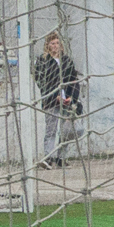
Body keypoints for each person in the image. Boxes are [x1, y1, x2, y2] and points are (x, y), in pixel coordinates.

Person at [33, 31, 81, 168]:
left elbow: (74, 81)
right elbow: (41, 83)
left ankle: (61, 157)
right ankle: (48, 158)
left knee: (68, 129)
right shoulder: (43, 61)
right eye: (52, 43)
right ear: (47, 45)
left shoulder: (67, 61)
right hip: (51, 101)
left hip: (67, 102)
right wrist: (55, 96)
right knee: (51, 130)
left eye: (57, 43)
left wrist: (72, 97)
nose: (55, 45)